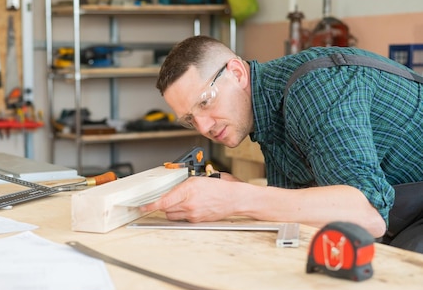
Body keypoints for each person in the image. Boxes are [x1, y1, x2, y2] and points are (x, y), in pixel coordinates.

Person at [141, 35, 423, 252]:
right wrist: (235, 190)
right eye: (190, 118)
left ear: (237, 73)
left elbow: (368, 215)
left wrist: (237, 199)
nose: (203, 127)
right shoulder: (265, 115)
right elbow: (300, 207)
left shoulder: (314, 90)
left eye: (205, 102)